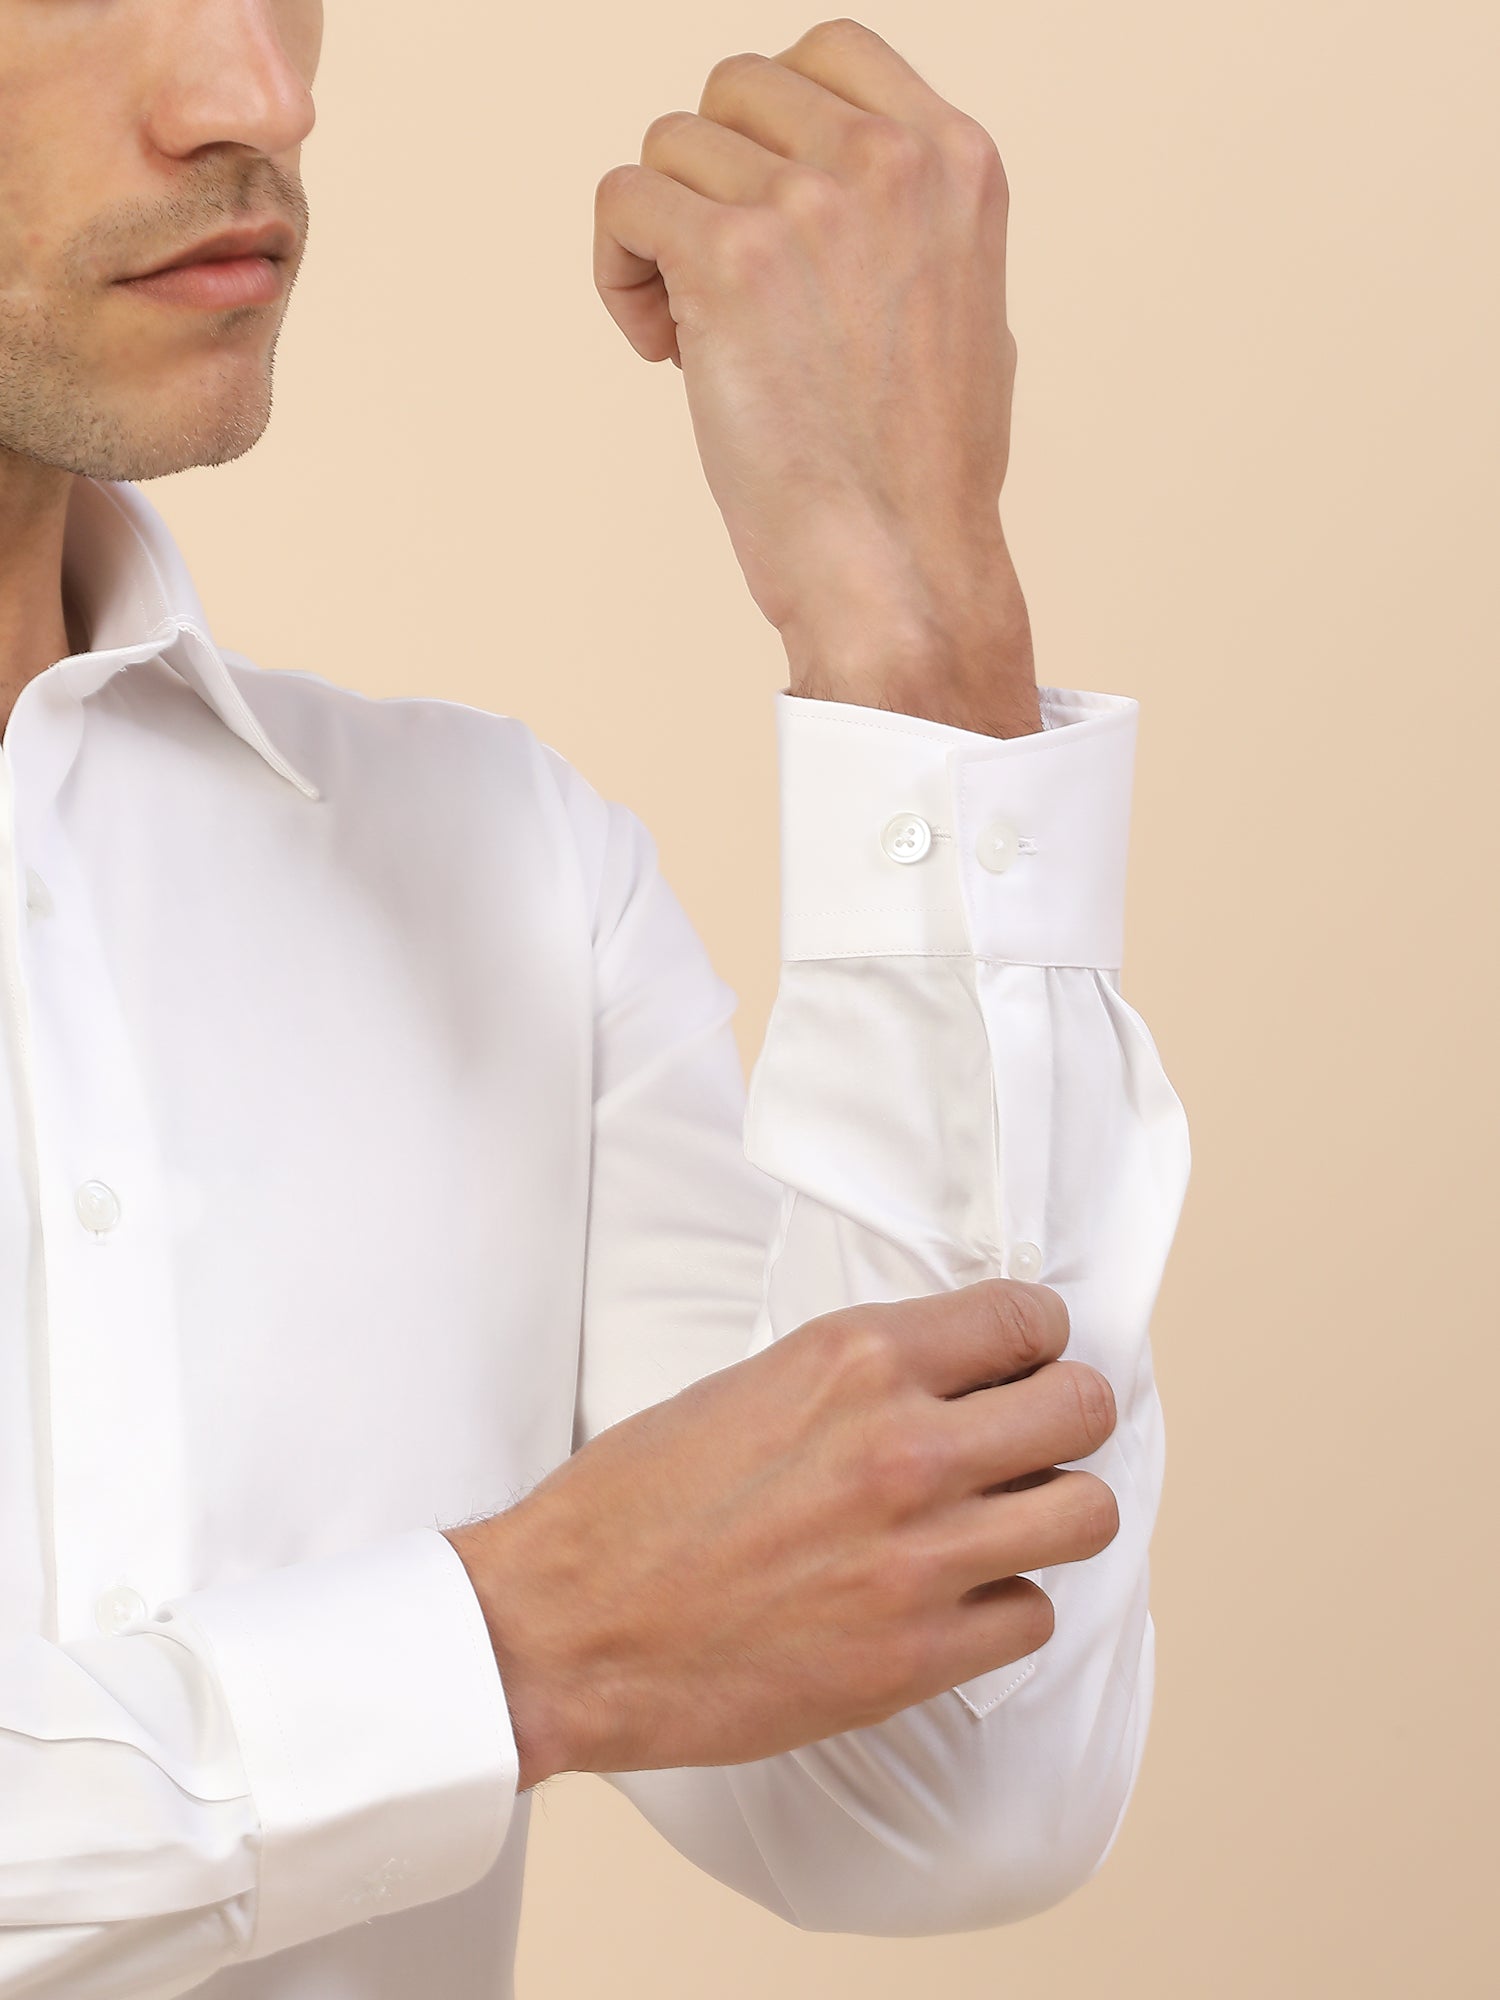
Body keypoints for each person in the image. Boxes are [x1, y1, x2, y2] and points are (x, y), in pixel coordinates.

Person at [0, 6, 1191, 1995]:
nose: (261, 94)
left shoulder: (498, 867)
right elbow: (576, 1643)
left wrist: (909, 631)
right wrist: (511, 1650)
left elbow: (943, 1788)